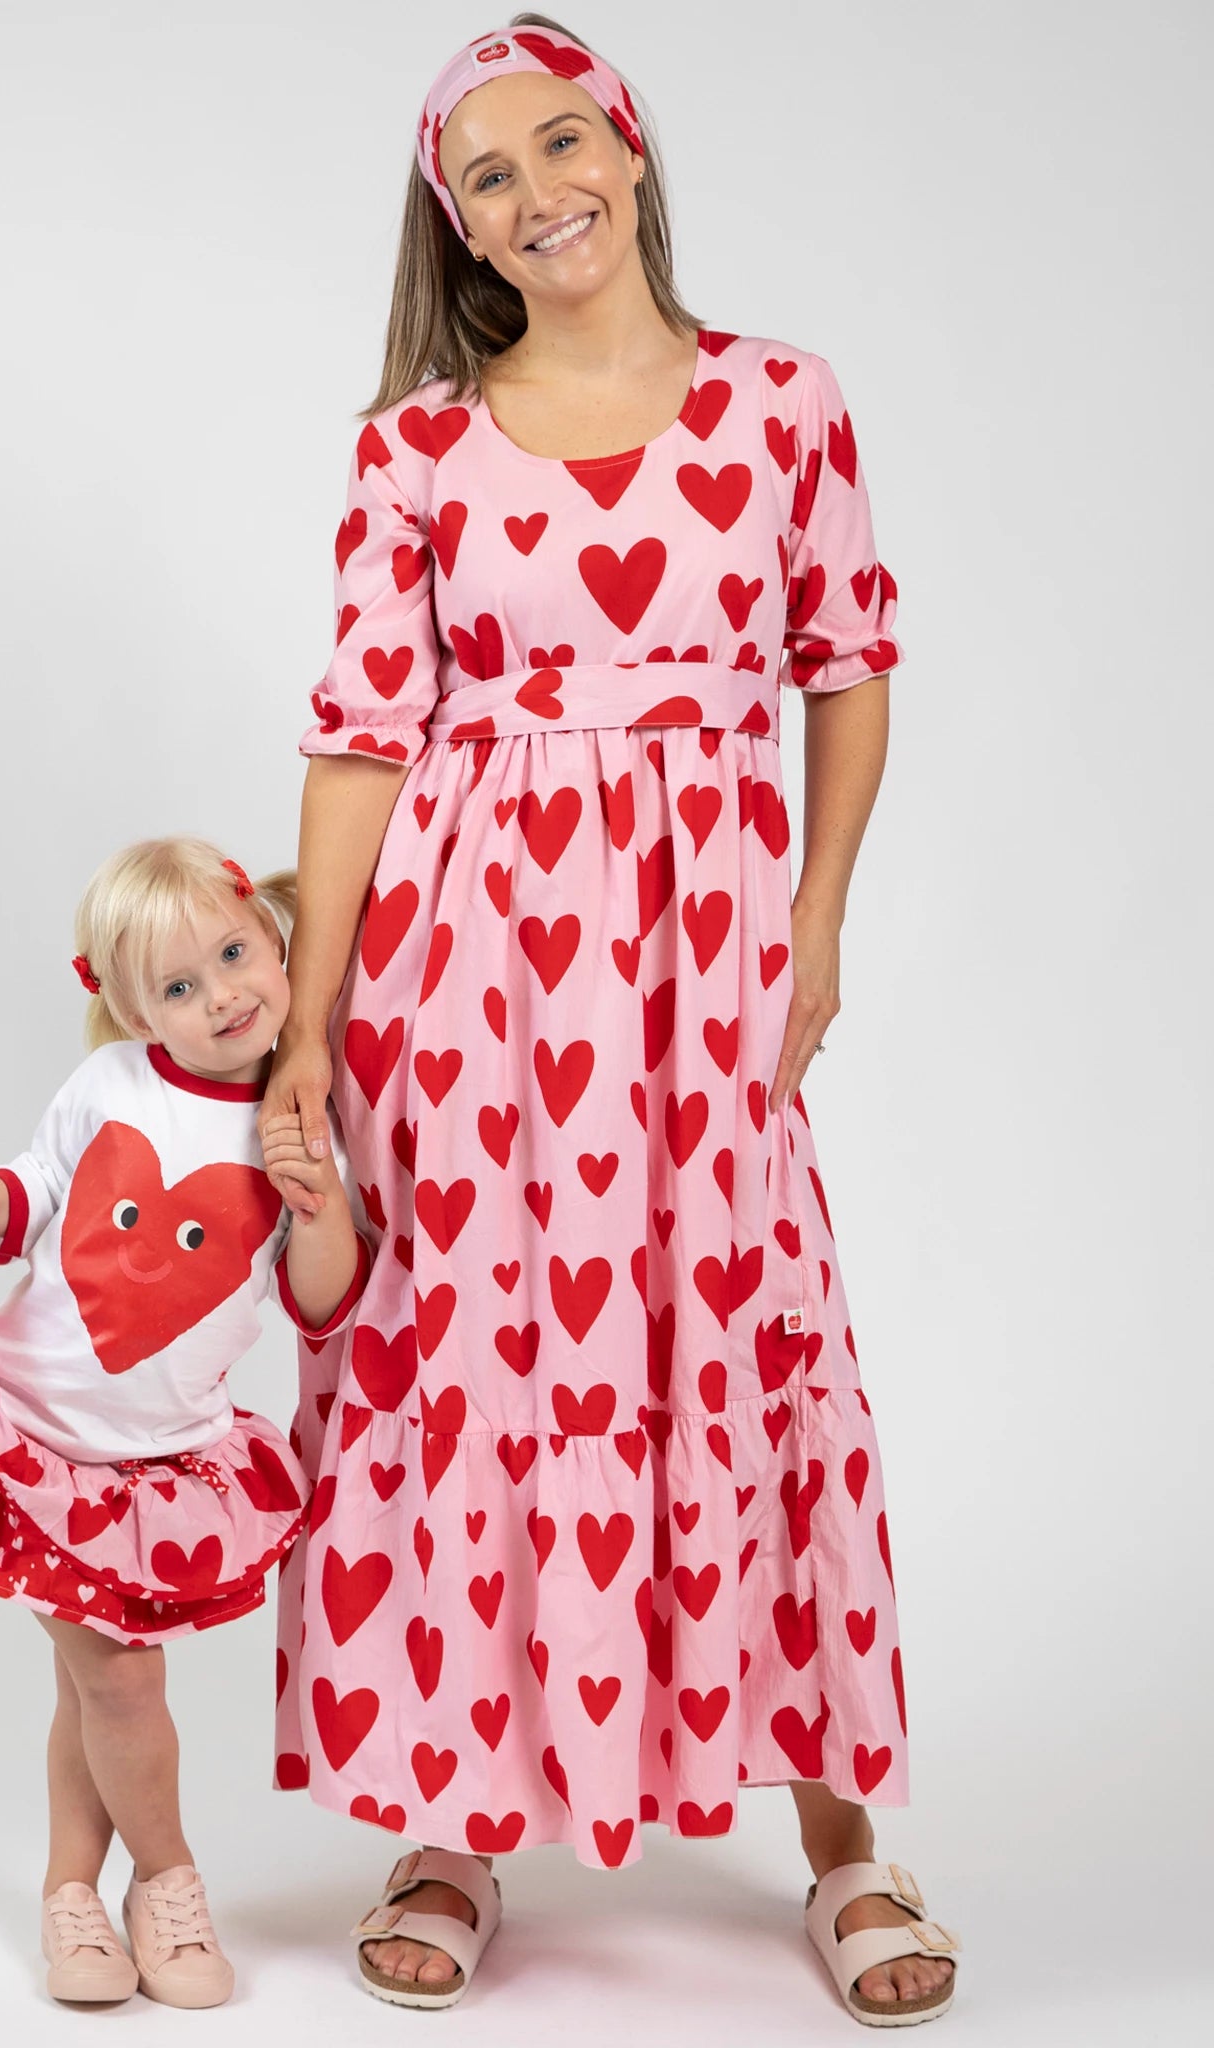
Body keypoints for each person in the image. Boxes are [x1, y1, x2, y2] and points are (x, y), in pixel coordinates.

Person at [258, 15, 960, 2027]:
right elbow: (358, 739)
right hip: (459, 968)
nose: (535, 186)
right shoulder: (414, 445)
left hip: (694, 964)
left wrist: (812, 924)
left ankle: (846, 1839)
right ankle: (449, 1819)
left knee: (743, 1323)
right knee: (464, 1345)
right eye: (486, 172)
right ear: (455, 223)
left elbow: (848, 661)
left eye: (561, 141)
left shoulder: (777, 405)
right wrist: (312, 1029)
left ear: (631, 155)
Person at [0, 836, 370, 2009]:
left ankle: (69, 1895)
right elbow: (39, 1182)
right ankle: (167, 1875)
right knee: (122, 1683)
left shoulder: (298, 1119)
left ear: (273, 935)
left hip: (165, 1460)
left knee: (89, 1694)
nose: (224, 996)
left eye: (235, 954)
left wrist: (318, 1209)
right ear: (136, 1011)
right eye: (180, 988)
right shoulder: (110, 1088)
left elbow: (318, 1301)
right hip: (42, 1438)